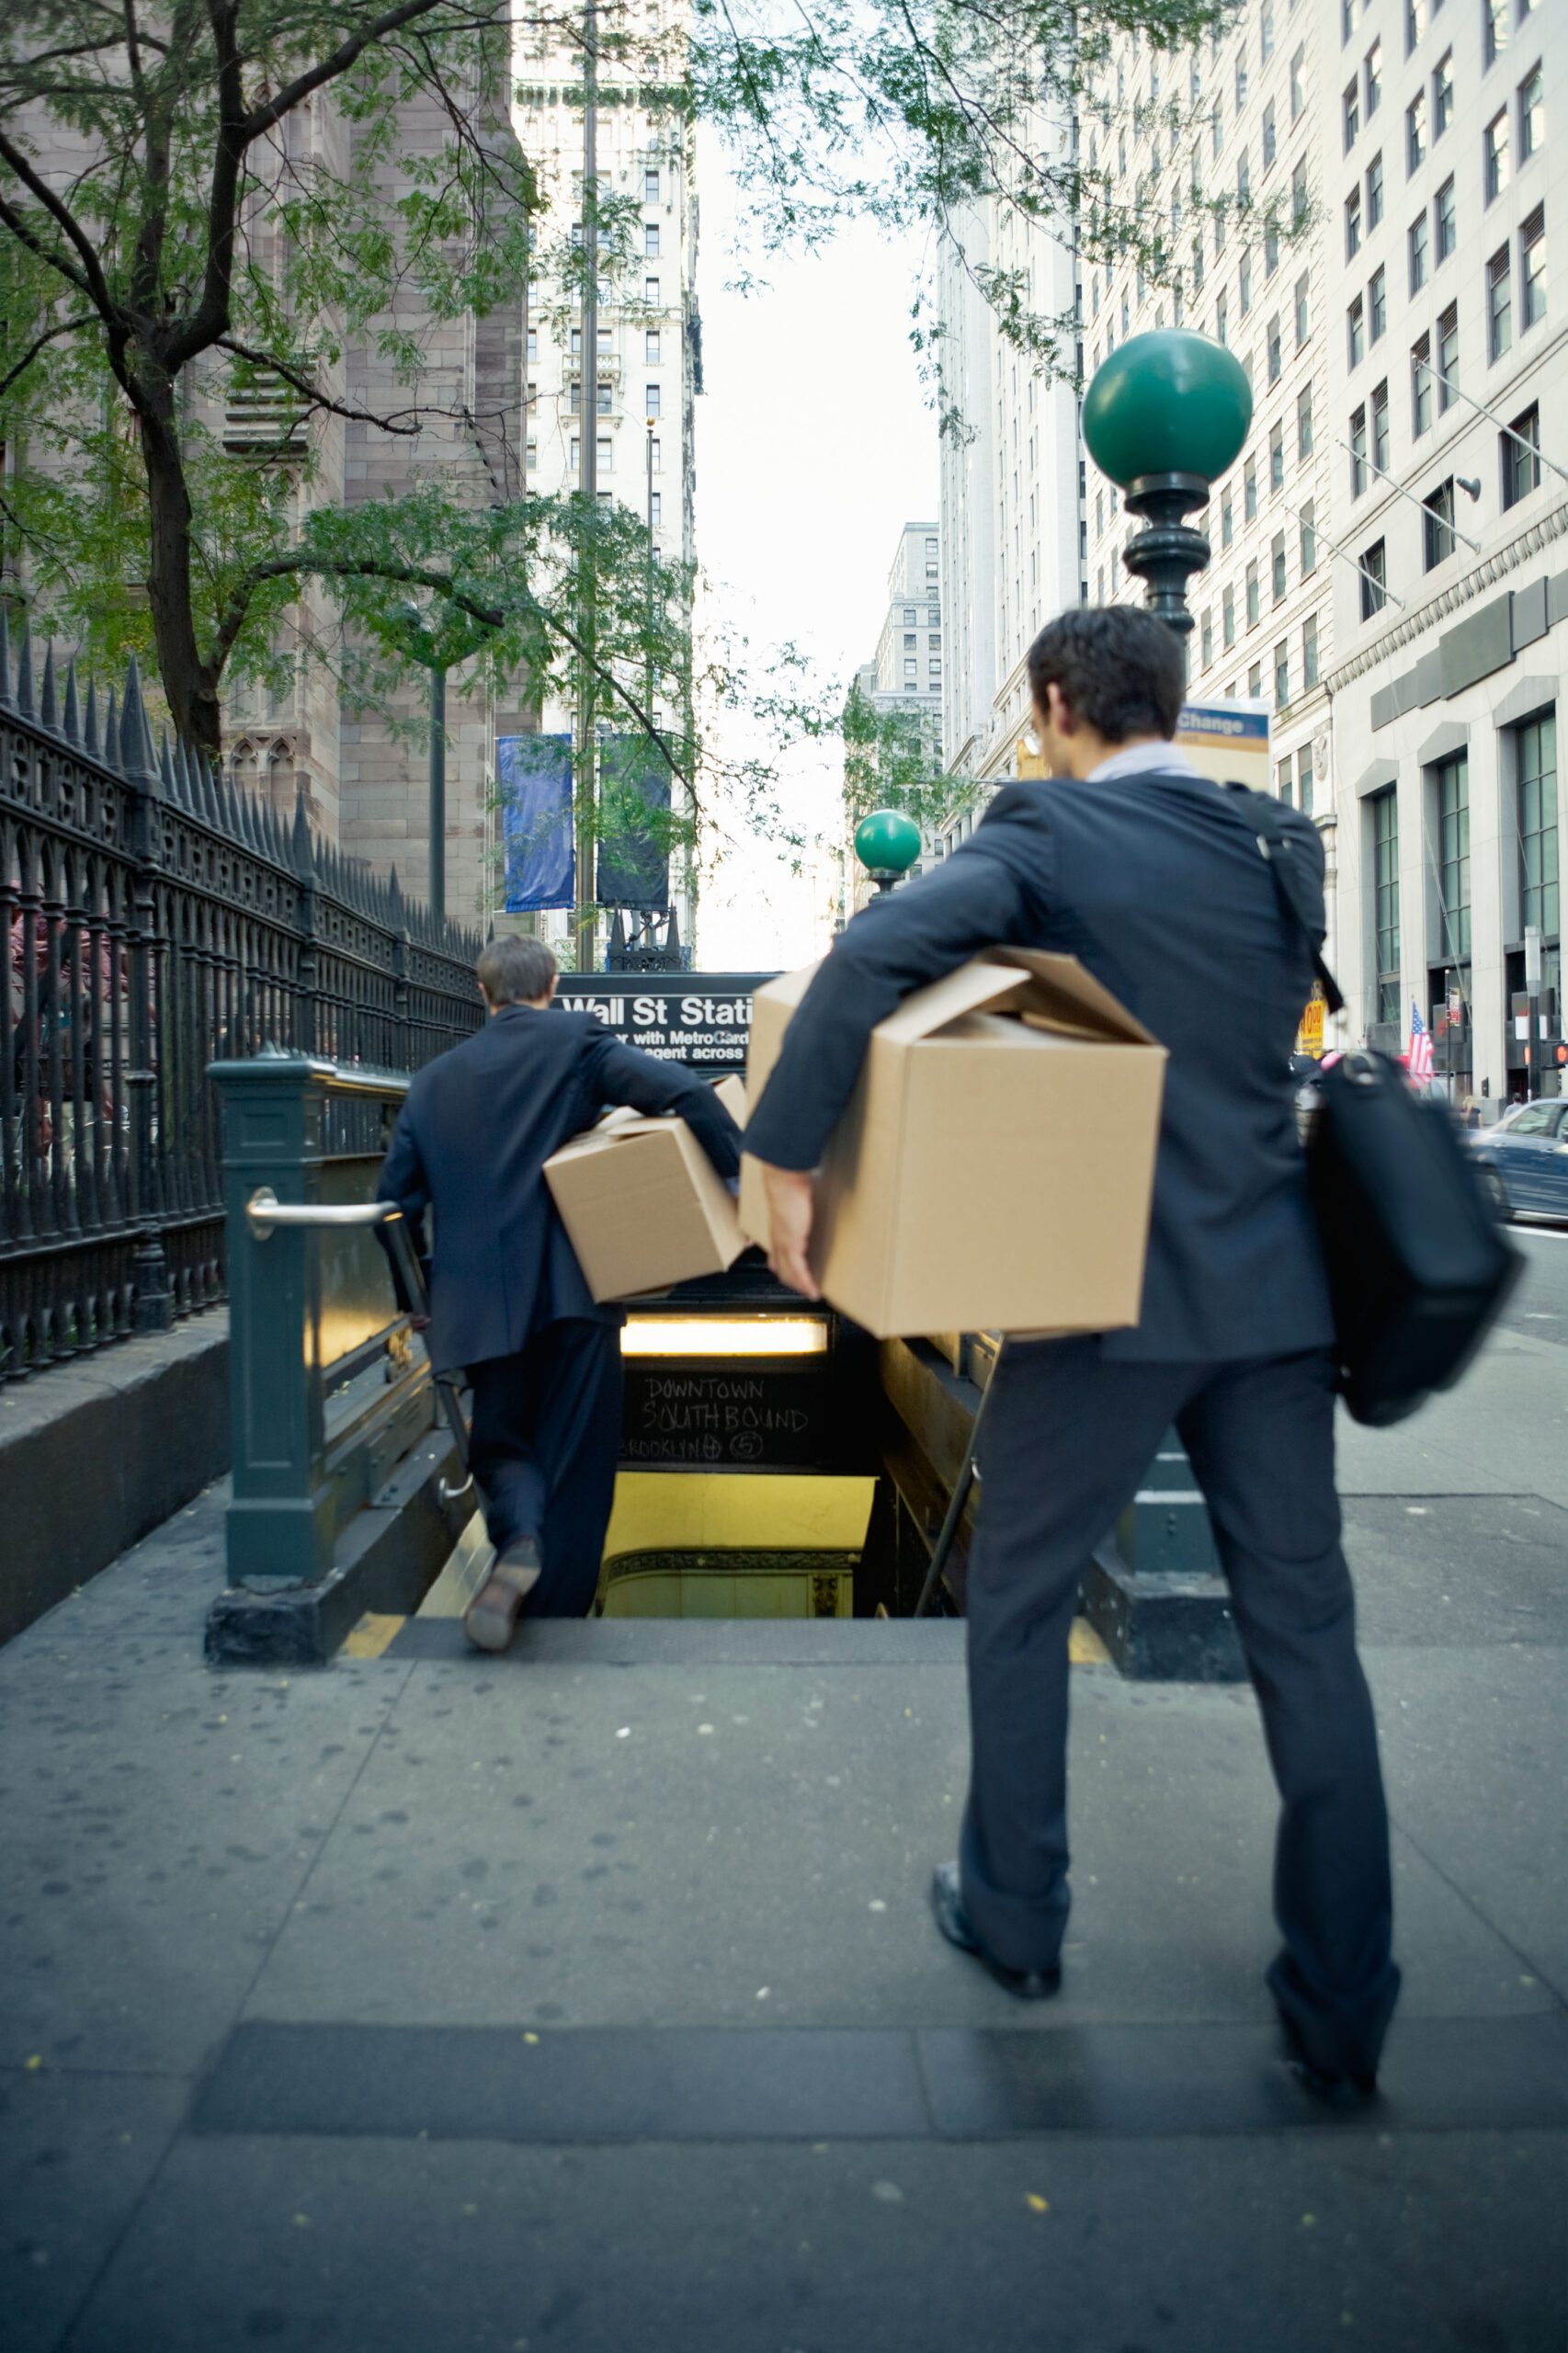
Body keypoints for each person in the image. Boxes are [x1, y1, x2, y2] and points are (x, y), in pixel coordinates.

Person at [744, 605, 1401, 2103]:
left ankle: (1020, 1915)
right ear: (1167, 701)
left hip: (1102, 1291)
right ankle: (1346, 1999)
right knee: (1307, 1638)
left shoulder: (1046, 839)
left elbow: (872, 961)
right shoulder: (1274, 845)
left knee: (1021, 1599)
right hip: (1277, 1298)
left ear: (1054, 704)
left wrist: (781, 1161)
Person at [377, 934, 742, 1652]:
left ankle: (518, 1546)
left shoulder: (433, 1082)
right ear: (552, 985)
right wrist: (735, 1181)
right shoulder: (575, 1042)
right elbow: (686, 1092)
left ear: (484, 995)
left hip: (476, 1309)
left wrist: (414, 1294)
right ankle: (559, 1622)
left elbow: (393, 1204)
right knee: (577, 1465)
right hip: (574, 1294)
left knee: (501, 1449)